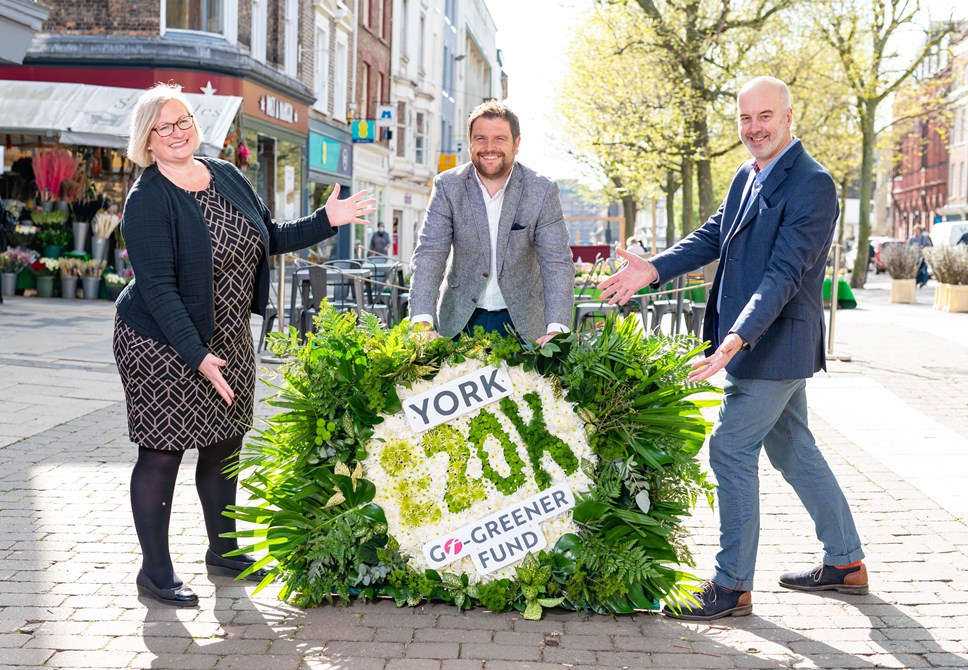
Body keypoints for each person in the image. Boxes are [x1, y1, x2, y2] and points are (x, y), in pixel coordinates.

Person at [599, 76, 866, 622]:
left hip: (774, 340)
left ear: (789, 118)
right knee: (791, 447)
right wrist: (654, 269)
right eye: (745, 119)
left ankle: (732, 585)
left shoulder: (812, 182)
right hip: (752, 341)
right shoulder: (747, 175)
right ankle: (845, 563)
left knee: (729, 448)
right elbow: (713, 235)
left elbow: (783, 273)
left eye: (764, 116)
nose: (754, 129)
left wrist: (735, 339)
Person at [113, 83, 375, 607]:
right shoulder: (146, 201)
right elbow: (160, 291)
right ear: (147, 139)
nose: (177, 132)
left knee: (223, 445)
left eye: (183, 120)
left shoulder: (226, 174)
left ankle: (224, 550)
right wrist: (198, 356)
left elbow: (269, 235)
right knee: (163, 452)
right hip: (161, 342)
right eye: (163, 126)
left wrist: (327, 221)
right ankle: (155, 570)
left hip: (226, 336)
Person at [408, 100, 574, 345]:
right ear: (470, 143)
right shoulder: (447, 186)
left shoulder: (542, 190)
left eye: (500, 139)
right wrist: (422, 319)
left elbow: (556, 261)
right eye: (481, 138)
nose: (489, 147)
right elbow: (431, 253)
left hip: (524, 325)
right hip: (460, 321)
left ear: (516, 144)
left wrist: (557, 328)